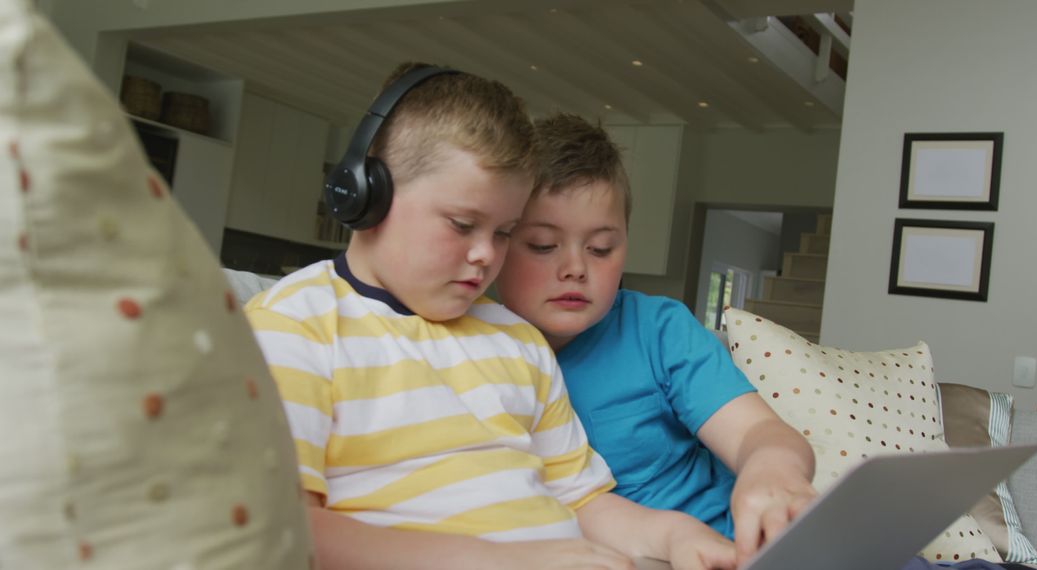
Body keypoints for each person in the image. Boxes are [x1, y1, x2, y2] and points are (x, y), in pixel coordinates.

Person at [246, 64, 735, 570]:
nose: (485, 254)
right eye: (463, 224)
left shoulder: (516, 339)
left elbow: (583, 500)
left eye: (504, 232)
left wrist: (674, 536)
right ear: (367, 193)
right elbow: (282, 525)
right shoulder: (295, 327)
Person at [495, 113, 818, 568]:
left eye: (601, 248)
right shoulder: (473, 354)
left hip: (748, 546)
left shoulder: (658, 329)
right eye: (544, 245)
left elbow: (757, 432)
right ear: (497, 239)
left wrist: (773, 467)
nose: (575, 268)